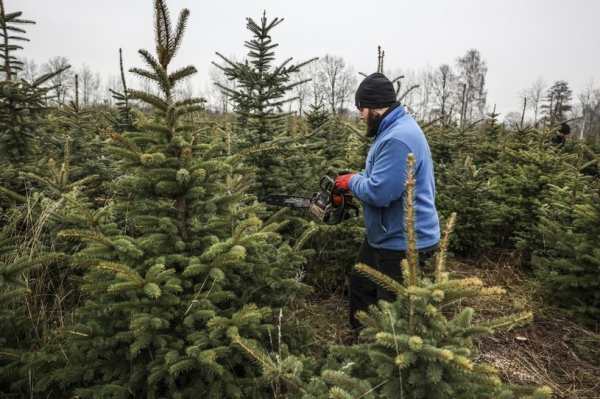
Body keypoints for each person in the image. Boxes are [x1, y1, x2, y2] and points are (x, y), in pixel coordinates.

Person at [334, 72, 440, 333]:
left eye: (362, 109)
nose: (359, 115)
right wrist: (357, 178)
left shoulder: (397, 138)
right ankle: (360, 348)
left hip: (403, 241)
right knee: (361, 284)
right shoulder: (393, 128)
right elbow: (381, 177)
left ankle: (389, 362)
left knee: (392, 311)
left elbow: (380, 193)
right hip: (384, 235)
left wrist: (350, 182)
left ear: (377, 107)